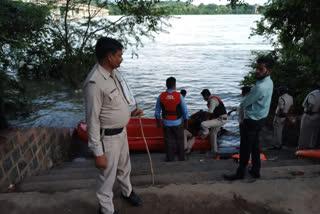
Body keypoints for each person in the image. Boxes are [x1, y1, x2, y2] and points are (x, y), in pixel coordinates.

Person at [83, 37, 143, 214]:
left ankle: (127, 192)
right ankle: (106, 209)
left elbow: (112, 106)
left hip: (121, 133)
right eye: (119, 55)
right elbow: (92, 120)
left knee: (125, 167)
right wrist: (98, 153)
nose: (121, 58)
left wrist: (129, 114)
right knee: (106, 176)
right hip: (107, 138)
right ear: (109, 57)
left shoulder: (112, 74)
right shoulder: (94, 83)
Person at [224, 56, 274, 181]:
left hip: (251, 120)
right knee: (255, 146)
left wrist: (246, 100)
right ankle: (256, 170)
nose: (257, 71)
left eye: (261, 69)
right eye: (257, 68)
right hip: (261, 118)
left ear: (268, 70)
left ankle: (240, 173)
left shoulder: (259, 87)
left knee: (245, 147)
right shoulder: (269, 82)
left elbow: (244, 103)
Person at [155, 77, 189, 161]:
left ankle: (170, 158)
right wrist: (186, 122)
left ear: (166, 85)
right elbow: (185, 111)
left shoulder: (161, 96)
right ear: (175, 85)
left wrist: (158, 122)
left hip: (166, 123)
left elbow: (157, 111)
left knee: (168, 141)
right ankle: (182, 157)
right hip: (177, 123)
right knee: (180, 140)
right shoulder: (179, 96)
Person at [200, 89, 227, 157]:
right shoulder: (213, 99)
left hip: (220, 119)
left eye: (203, 97)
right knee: (213, 134)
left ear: (206, 96)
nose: (203, 98)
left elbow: (210, 112)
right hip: (220, 118)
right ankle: (214, 151)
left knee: (203, 124)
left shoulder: (212, 100)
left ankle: (206, 133)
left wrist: (205, 119)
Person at [297, 82, 320, 150]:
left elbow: (311, 104)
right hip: (317, 115)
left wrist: (307, 111)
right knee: (314, 133)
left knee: (304, 132)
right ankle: (311, 148)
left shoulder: (313, 94)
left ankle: (302, 148)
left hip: (309, 115)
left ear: (312, 88)